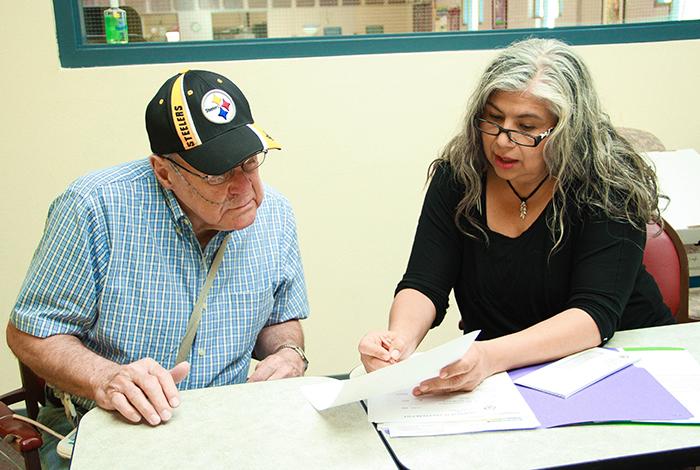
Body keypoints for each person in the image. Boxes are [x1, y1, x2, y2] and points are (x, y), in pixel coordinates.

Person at [7, 70, 310, 465]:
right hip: (106, 425)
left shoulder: (276, 214)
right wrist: (106, 379)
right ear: (165, 172)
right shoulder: (95, 207)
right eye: (219, 174)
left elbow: (280, 317)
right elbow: (30, 333)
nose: (246, 188)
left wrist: (288, 353)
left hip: (230, 423)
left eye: (250, 162)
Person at [358, 38, 674, 397]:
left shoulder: (607, 183)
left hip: (620, 362)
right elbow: (424, 282)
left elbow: (593, 316)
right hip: (507, 379)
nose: (502, 142)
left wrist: (489, 357)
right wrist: (398, 343)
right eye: (493, 119)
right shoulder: (460, 176)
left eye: (525, 127)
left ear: (568, 130)